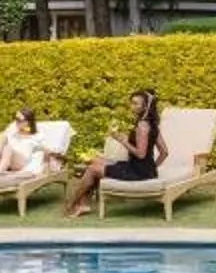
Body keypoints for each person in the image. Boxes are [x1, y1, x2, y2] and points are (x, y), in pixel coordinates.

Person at [62, 90, 164, 218]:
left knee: (93, 169)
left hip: (136, 172)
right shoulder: (153, 125)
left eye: (135, 103)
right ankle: (83, 204)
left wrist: (122, 140)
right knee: (95, 161)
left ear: (144, 107)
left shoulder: (142, 126)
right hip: (142, 169)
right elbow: (164, 152)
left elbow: (141, 154)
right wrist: (152, 167)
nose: (131, 106)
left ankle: (71, 204)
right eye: (131, 103)